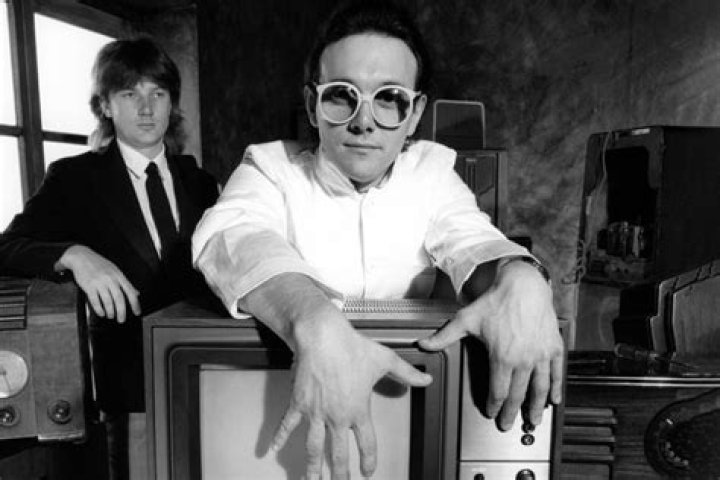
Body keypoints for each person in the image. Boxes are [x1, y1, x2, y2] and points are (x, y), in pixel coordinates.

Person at [192, 1, 563, 478]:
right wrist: (314, 320)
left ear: (415, 113)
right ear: (312, 105)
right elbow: (231, 233)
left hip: (403, 435)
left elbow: (473, 239)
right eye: (341, 96)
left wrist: (523, 278)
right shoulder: (269, 167)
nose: (363, 121)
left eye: (389, 98)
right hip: (291, 434)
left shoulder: (432, 173)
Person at [0, 37, 218, 479]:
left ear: (172, 103)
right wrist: (74, 255)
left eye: (158, 93)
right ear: (105, 105)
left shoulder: (200, 181)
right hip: (130, 392)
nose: (146, 108)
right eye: (130, 94)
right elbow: (6, 247)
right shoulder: (75, 178)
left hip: (208, 377)